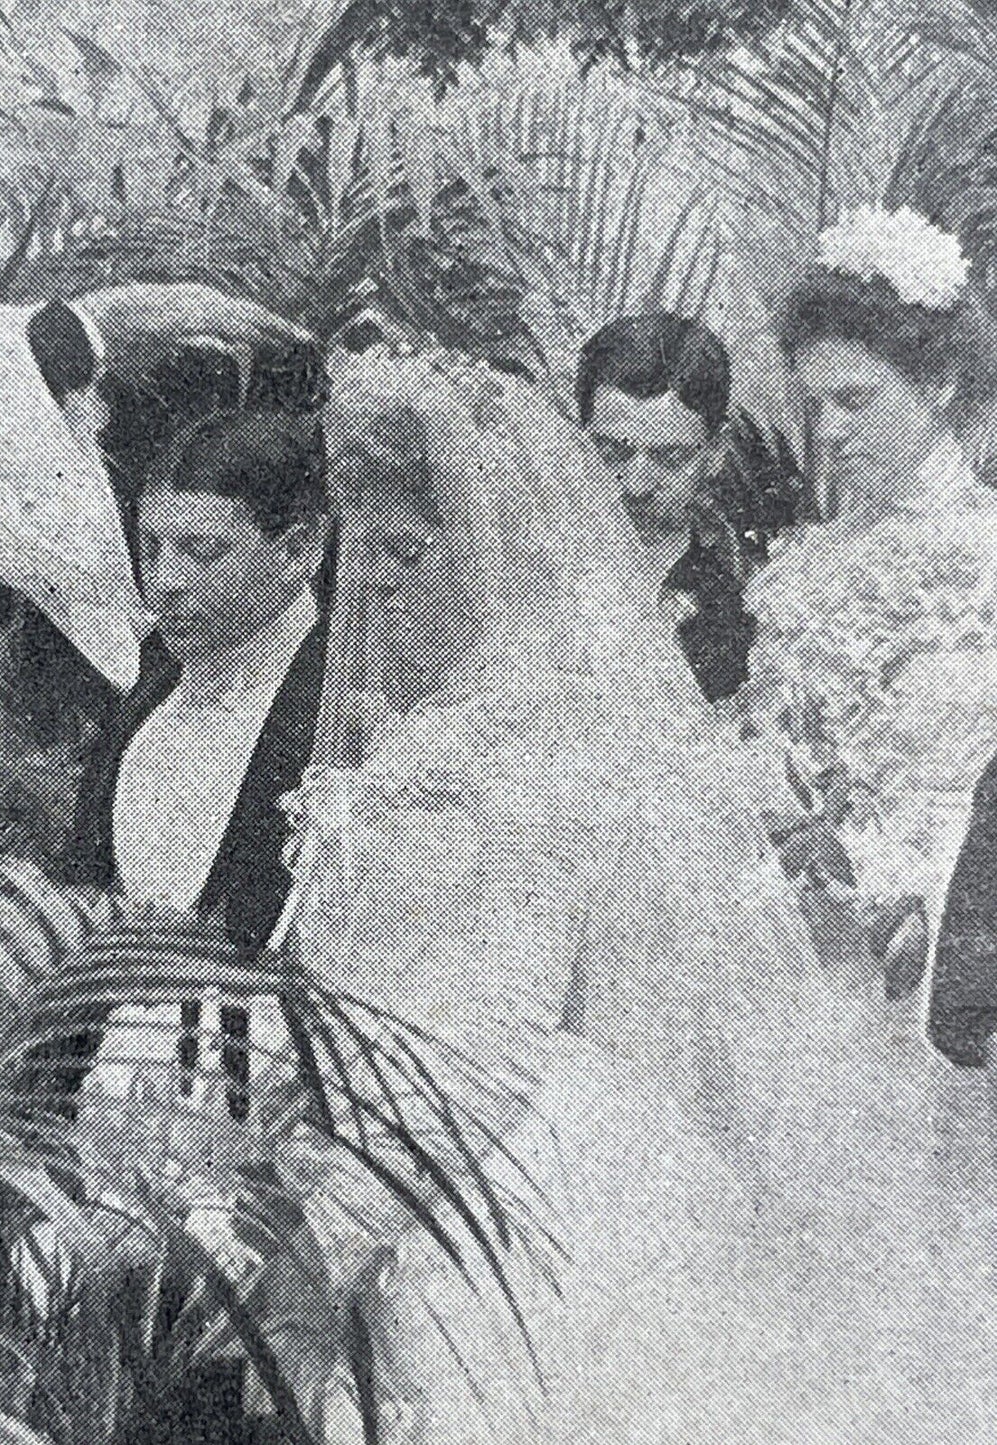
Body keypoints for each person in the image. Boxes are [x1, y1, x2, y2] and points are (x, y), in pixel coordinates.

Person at [281, 348, 997, 1443]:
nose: (370, 581)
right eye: (360, 547)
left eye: (406, 551)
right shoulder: (429, 724)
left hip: (503, 1167)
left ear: (485, 552)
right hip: (386, 1125)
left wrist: (331, 1223)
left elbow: (494, 1021)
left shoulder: (535, 740)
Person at [737, 207, 997, 1022]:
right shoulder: (808, 560)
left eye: (855, 400)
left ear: (938, 385)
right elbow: (775, 752)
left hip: (936, 951)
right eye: (816, 406)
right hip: (792, 929)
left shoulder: (984, 556)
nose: (831, 433)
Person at [64, 391, 331, 1121]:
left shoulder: (345, 709)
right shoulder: (145, 690)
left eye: (203, 550)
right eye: (151, 547)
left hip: (266, 1108)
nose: (166, 581)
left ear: (298, 550)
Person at [576, 312, 808, 701]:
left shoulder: (739, 613)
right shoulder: (518, 555)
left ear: (715, 453)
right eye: (611, 452)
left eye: (670, 458)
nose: (636, 485)